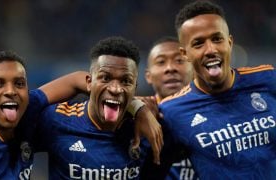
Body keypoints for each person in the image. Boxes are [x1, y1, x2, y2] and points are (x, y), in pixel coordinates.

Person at [143, 0, 276, 179]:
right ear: (185, 54)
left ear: (229, 42)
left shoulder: (268, 79)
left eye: (217, 39)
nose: (210, 50)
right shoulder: (172, 112)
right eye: (198, 43)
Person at [33, 36, 159, 179]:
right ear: (89, 82)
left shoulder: (146, 127)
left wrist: (142, 109)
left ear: (134, 88)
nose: (116, 89)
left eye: (126, 81)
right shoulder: (56, 120)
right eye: (105, 78)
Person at [0, 51, 90, 179]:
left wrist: (105, 91)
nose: (11, 91)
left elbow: (76, 79)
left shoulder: (29, 108)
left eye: (19, 84)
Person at [145, 36, 197, 180]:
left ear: (194, 69)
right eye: (161, 62)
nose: (170, 68)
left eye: (179, 60)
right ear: (148, 76)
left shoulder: (213, 115)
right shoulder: (138, 117)